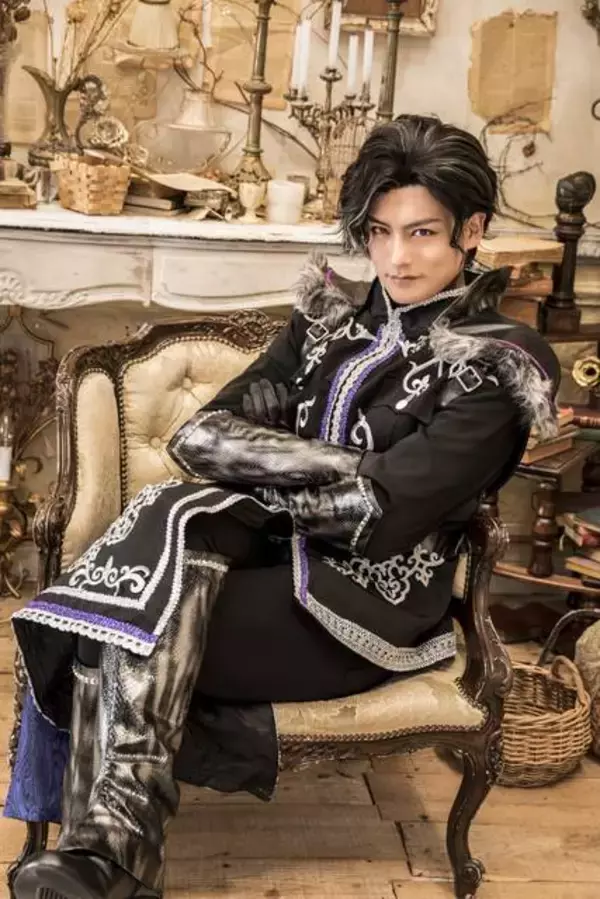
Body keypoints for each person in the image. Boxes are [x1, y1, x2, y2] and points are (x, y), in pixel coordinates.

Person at [8, 115, 560, 899]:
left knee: (121, 617)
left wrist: (284, 469)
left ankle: (109, 859)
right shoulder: (328, 324)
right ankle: (108, 858)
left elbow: (382, 517)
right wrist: (352, 468)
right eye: (380, 232)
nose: (396, 258)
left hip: (368, 604)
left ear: (471, 231)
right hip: (268, 561)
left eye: (423, 233)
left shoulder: (497, 364)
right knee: (150, 556)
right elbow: (201, 436)